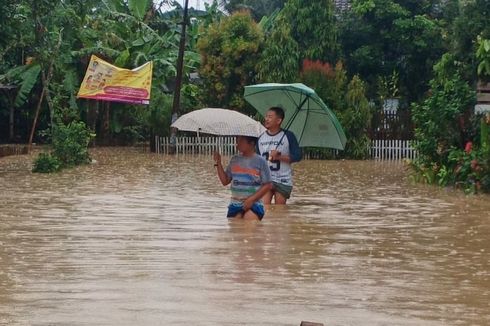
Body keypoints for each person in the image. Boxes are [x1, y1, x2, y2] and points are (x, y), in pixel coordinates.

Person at [214, 136, 272, 221]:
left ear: (251, 143)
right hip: (235, 204)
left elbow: (268, 185)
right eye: (237, 140)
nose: (237, 143)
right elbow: (225, 181)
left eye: (241, 140)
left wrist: (251, 200)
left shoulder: (261, 161)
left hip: (254, 204)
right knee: (235, 230)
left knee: (248, 226)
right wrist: (218, 163)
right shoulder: (234, 159)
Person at [257, 107, 302, 205]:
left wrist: (279, 157)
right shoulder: (261, 138)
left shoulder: (289, 136)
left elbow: (298, 156)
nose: (266, 119)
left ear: (278, 120)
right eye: (266, 116)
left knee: (280, 211)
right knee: (264, 210)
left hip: (283, 179)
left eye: (270, 117)